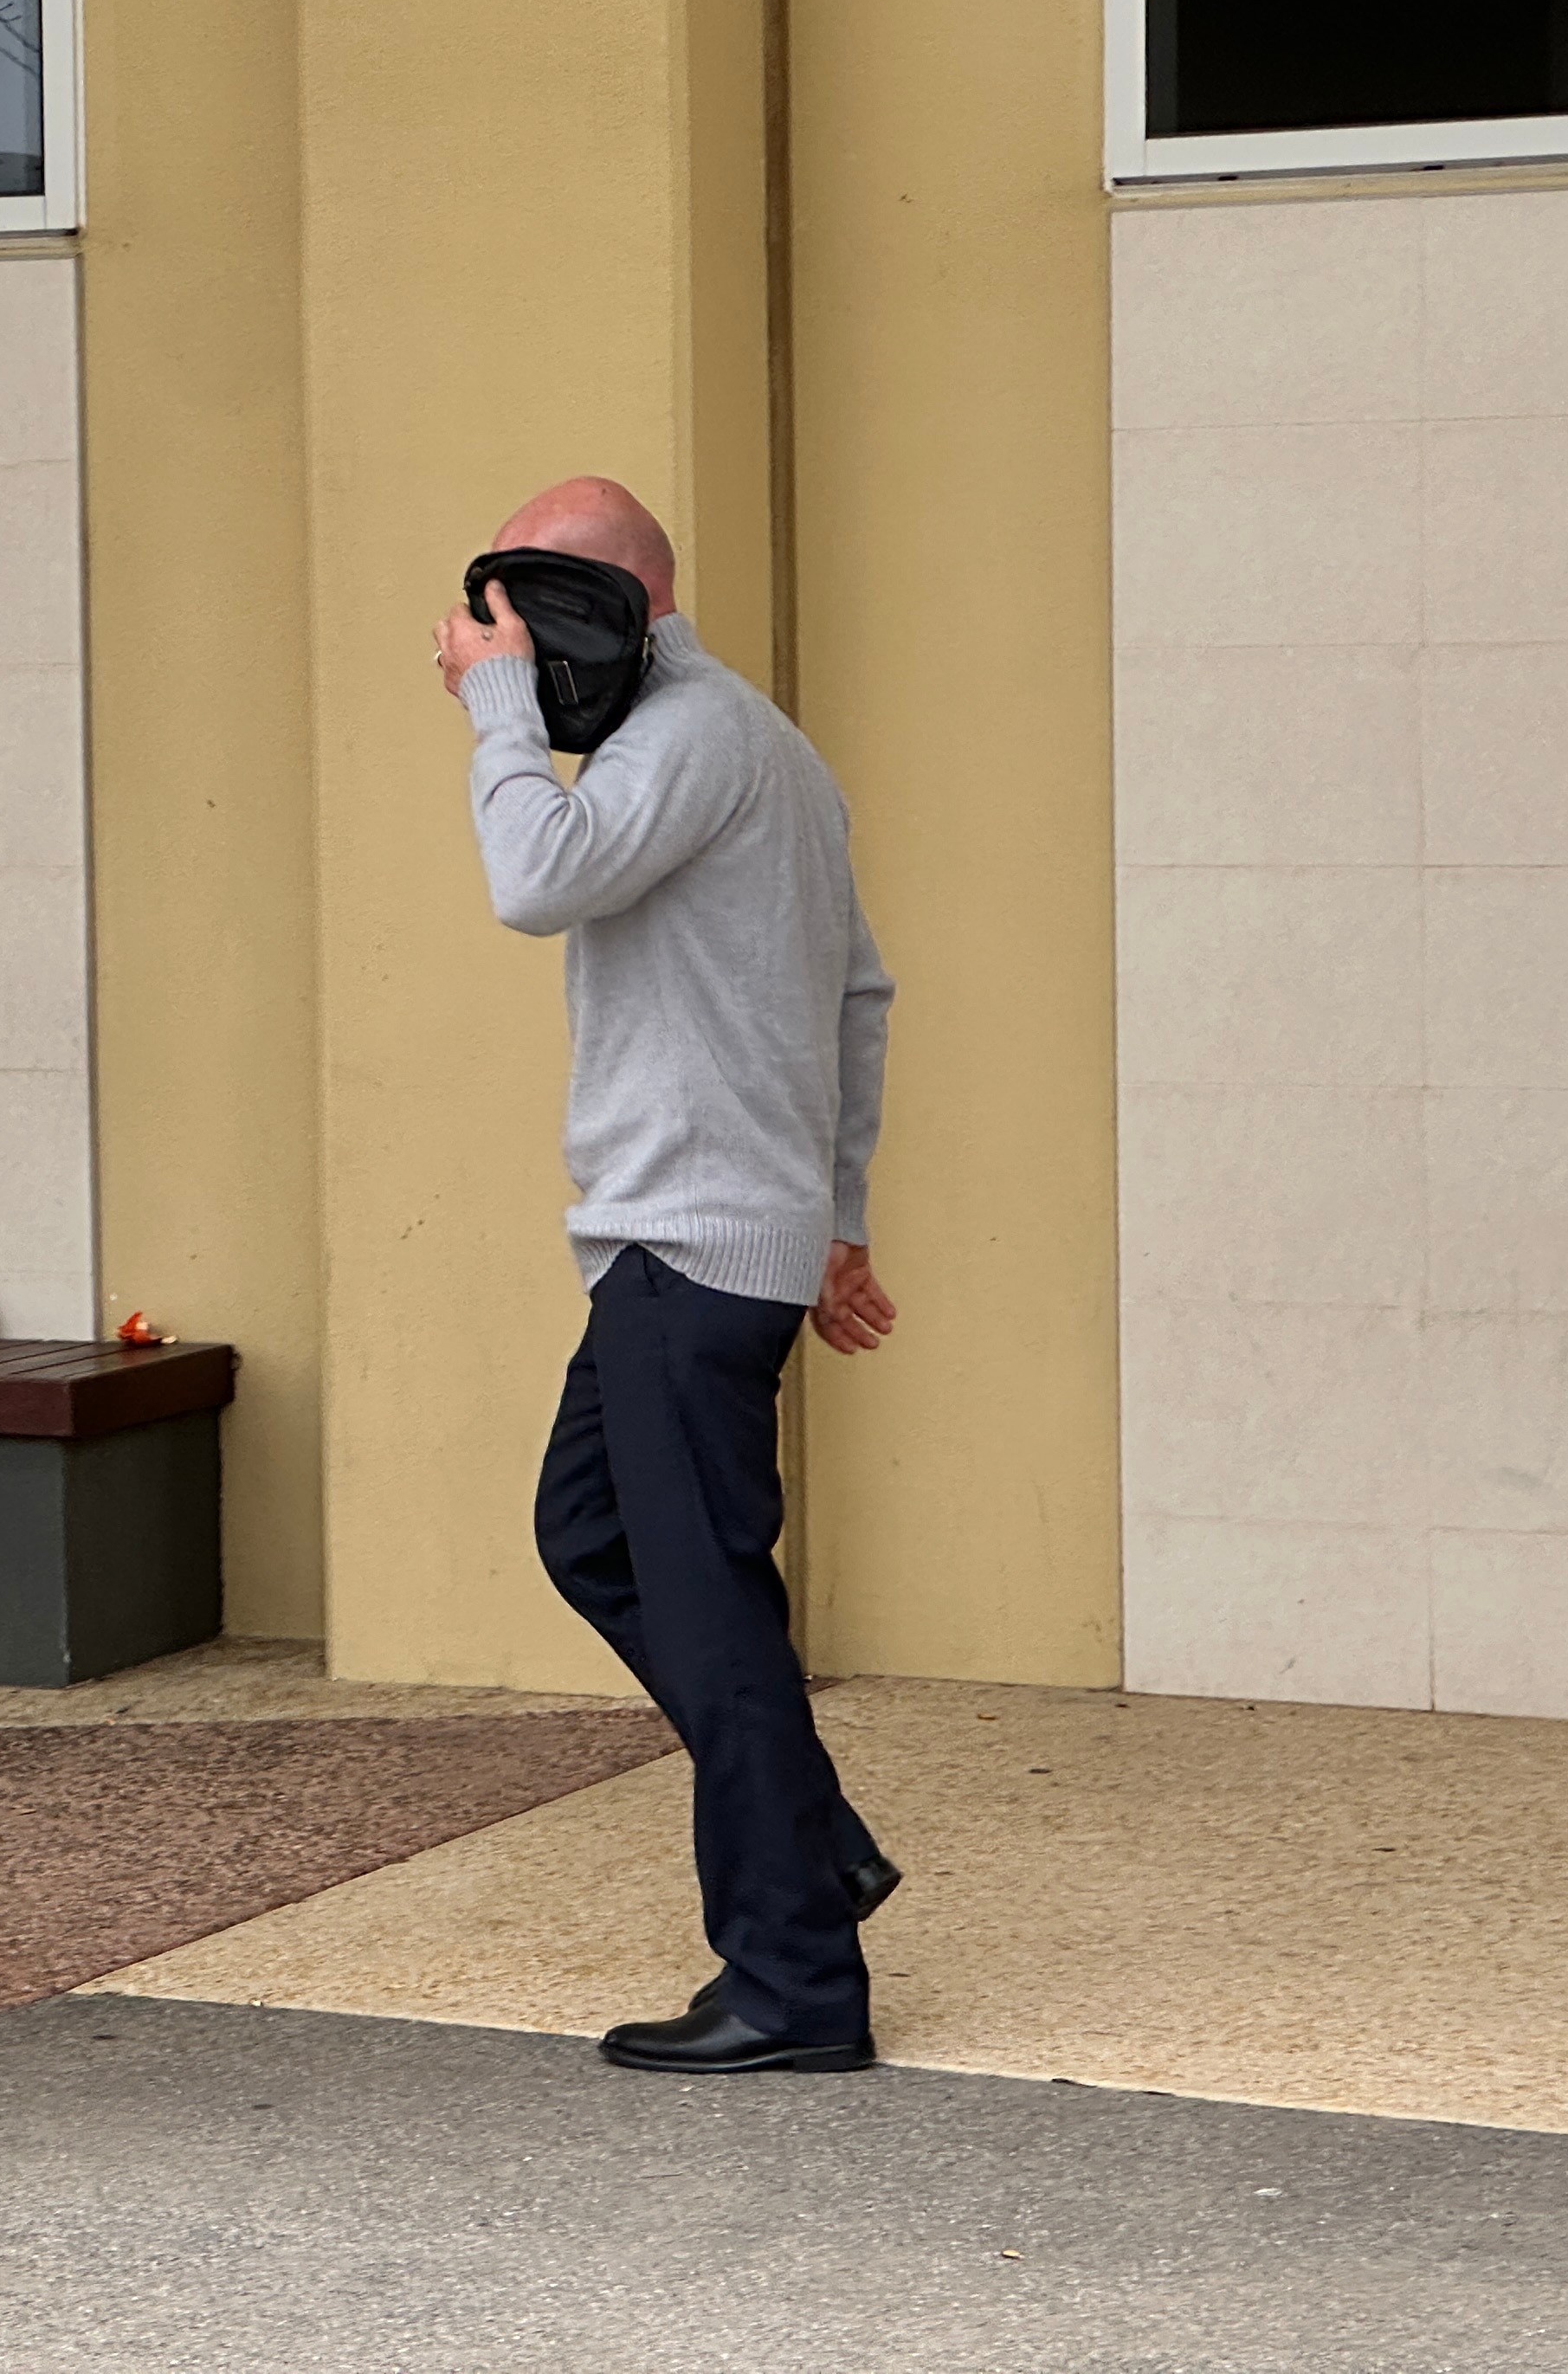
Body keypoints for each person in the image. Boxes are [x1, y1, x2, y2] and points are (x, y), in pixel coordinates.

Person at [432, 474, 900, 2077]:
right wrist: (831, 1219)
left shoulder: (692, 736)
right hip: (702, 1239)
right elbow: (861, 992)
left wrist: (494, 713)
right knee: (594, 1538)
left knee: (712, 1620)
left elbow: (534, 879)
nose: (514, 638)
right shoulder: (758, 745)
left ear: (636, 595)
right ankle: (811, 1840)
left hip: (687, 1248)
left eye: (542, 604)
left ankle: (794, 1986)